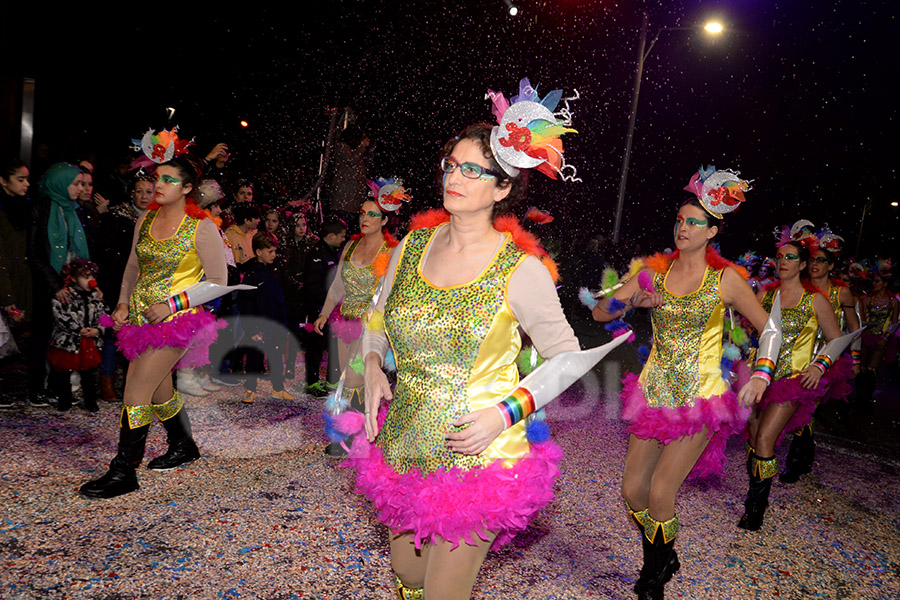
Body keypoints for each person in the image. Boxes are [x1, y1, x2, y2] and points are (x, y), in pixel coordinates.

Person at [351, 79, 581, 600]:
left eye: (473, 169)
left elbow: (568, 357)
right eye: (452, 164)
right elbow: (377, 315)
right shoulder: (411, 245)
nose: (456, 176)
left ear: (503, 189)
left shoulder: (521, 270)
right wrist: (369, 362)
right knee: (409, 577)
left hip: (479, 455)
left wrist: (503, 414)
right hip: (407, 443)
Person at [592, 166, 771, 600]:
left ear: (712, 231)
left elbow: (770, 328)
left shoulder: (725, 280)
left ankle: (653, 577)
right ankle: (664, 550)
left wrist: (762, 374)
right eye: (680, 219)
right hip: (653, 394)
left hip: (700, 398)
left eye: (694, 222)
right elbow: (600, 312)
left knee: (659, 491)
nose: (683, 227)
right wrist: (634, 299)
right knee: (632, 490)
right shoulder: (655, 270)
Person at [79, 153, 227, 499]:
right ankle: (182, 443)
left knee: (135, 390)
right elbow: (132, 267)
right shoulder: (145, 219)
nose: (158, 185)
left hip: (175, 323)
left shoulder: (202, 227)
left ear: (188, 187)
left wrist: (172, 304)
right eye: (157, 178)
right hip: (140, 320)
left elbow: (219, 281)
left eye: (168, 180)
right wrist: (123, 303)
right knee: (158, 388)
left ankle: (124, 471)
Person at [739, 222, 849, 531]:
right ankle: (755, 493)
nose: (782, 262)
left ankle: (756, 507)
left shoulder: (815, 300)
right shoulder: (764, 294)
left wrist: (819, 365)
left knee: (764, 439)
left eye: (790, 257)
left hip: (792, 380)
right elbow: (750, 332)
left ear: (803, 264)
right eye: (779, 256)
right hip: (758, 377)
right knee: (753, 438)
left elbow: (837, 339)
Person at [313, 182, 405, 454]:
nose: (365, 219)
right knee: (346, 379)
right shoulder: (351, 246)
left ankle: (354, 435)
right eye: (362, 213)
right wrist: (324, 312)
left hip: (371, 327)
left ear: (386, 219)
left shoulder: (391, 251)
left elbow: (395, 292)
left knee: (356, 378)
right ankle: (357, 432)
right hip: (345, 323)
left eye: (372, 214)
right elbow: (338, 284)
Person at [779, 226, 861, 483]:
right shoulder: (799, 289)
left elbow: (854, 327)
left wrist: (856, 360)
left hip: (827, 360)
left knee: (808, 408)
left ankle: (797, 460)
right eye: (813, 259)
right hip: (797, 359)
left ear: (831, 265)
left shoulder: (841, 292)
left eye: (822, 261)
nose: (815, 264)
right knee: (796, 408)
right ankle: (805, 454)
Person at [27, 163, 89, 408]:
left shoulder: (74, 210)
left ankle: (57, 387)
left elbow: (79, 251)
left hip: (70, 284)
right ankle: (36, 388)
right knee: (42, 337)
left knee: (65, 337)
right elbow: (34, 253)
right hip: (46, 284)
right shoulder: (41, 209)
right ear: (60, 184)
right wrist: (55, 285)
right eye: (75, 184)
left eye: (82, 184)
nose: (80, 188)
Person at [236, 233, 293, 403]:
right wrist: (251, 329)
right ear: (259, 252)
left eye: (275, 251)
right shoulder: (251, 274)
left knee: (276, 356)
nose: (274, 255)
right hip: (258, 325)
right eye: (270, 251)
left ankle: (278, 388)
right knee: (254, 357)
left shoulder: (277, 269)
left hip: (276, 322)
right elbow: (245, 303)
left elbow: (283, 295)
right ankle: (249, 389)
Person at [46, 258, 107, 412]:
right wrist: (77, 329)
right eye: (86, 277)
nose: (91, 281)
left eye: (92, 277)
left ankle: (90, 402)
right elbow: (59, 316)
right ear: (73, 278)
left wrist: (98, 330)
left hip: (89, 341)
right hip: (67, 341)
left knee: (88, 373)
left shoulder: (96, 296)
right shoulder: (64, 296)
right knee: (63, 372)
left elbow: (104, 315)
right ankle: (64, 400)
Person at [301, 218, 346, 396]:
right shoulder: (316, 254)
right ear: (331, 236)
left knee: (334, 345)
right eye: (341, 236)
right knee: (315, 347)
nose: (344, 239)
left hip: (333, 310)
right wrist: (323, 307)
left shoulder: (335, 252)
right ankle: (311, 382)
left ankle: (331, 381)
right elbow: (313, 286)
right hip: (317, 309)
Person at [281, 212, 318, 379]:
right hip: (292, 293)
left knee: (312, 328)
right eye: (298, 225)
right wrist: (295, 284)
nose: (302, 229)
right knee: (292, 330)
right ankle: (290, 365)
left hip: (309, 290)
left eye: (304, 224)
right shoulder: (286, 245)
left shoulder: (312, 243)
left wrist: (308, 284)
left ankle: (311, 369)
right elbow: (284, 270)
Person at [857, 261, 898, 409]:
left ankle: (865, 401)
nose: (874, 283)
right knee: (860, 368)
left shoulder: (893, 302)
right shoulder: (867, 299)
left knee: (871, 370)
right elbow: (861, 320)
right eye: (873, 281)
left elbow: (894, 323)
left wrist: (885, 339)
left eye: (877, 281)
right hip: (866, 336)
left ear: (885, 284)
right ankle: (858, 398)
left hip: (881, 338)